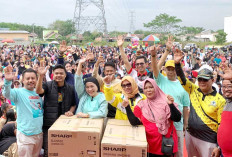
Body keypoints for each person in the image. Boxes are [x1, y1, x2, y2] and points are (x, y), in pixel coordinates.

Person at [174, 49, 226, 157]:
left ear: (212, 80)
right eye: (200, 79)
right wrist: (177, 64)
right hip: (191, 136)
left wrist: (218, 145)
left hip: (208, 140)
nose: (202, 82)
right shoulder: (193, 89)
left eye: (205, 79)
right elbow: (182, 79)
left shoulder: (220, 100)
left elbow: (222, 126)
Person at [150, 37, 190, 157]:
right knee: (161, 152)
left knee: (178, 152)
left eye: (173, 69)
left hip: (177, 125)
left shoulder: (184, 85)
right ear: (165, 70)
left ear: (177, 70)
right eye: (168, 69)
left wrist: (185, 125)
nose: (171, 71)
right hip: (161, 124)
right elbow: (155, 67)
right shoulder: (161, 80)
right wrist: (164, 51)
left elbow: (185, 107)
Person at [125, 78, 181, 157]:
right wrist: (127, 107)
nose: (148, 90)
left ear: (156, 88)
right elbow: (135, 122)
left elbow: (177, 118)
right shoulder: (141, 105)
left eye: (151, 87)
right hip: (149, 146)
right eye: (146, 88)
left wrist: (171, 105)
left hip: (165, 146)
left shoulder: (166, 102)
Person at [36, 62, 77, 157]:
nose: (59, 75)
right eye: (56, 73)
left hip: (64, 124)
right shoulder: (48, 85)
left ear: (65, 75)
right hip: (48, 125)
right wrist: (41, 76)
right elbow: (39, 91)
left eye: (61, 73)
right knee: (49, 150)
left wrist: (70, 111)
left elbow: (73, 104)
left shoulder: (70, 88)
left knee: (64, 150)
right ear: (53, 74)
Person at [3, 66, 43, 157]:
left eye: (33, 78)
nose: (30, 80)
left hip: (38, 133)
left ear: (36, 80)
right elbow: (6, 94)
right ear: (23, 81)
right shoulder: (18, 92)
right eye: (27, 78)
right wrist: (8, 81)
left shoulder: (39, 92)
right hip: (25, 135)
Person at [217, 65, 232, 157]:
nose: (226, 89)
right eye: (224, 86)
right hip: (224, 153)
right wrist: (219, 147)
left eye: (229, 86)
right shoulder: (226, 103)